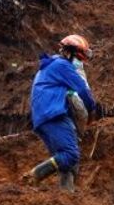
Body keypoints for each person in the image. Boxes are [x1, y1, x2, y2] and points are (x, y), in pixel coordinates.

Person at [23, 34, 98, 191]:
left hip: (42, 119)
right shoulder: (62, 66)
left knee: (66, 160)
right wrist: (92, 110)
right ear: (71, 54)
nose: (81, 63)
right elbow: (82, 90)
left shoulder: (49, 67)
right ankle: (35, 174)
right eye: (80, 58)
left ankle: (66, 196)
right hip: (54, 115)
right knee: (71, 155)